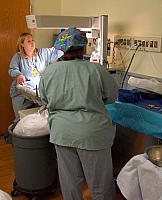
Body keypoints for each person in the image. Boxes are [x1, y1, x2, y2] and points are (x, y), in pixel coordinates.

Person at [39, 27, 118, 200]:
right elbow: (111, 96)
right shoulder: (96, 70)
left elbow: (44, 99)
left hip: (62, 132)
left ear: (61, 48)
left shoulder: (49, 72)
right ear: (83, 48)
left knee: (70, 183)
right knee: (100, 185)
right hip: (92, 133)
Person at [8, 32, 63, 121]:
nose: (32, 43)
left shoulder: (42, 53)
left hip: (37, 91)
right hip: (21, 93)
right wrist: (19, 75)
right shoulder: (18, 57)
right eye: (29, 41)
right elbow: (12, 69)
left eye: (33, 40)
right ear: (22, 44)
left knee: (38, 118)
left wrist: (64, 43)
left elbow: (55, 52)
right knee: (20, 119)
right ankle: (17, 133)